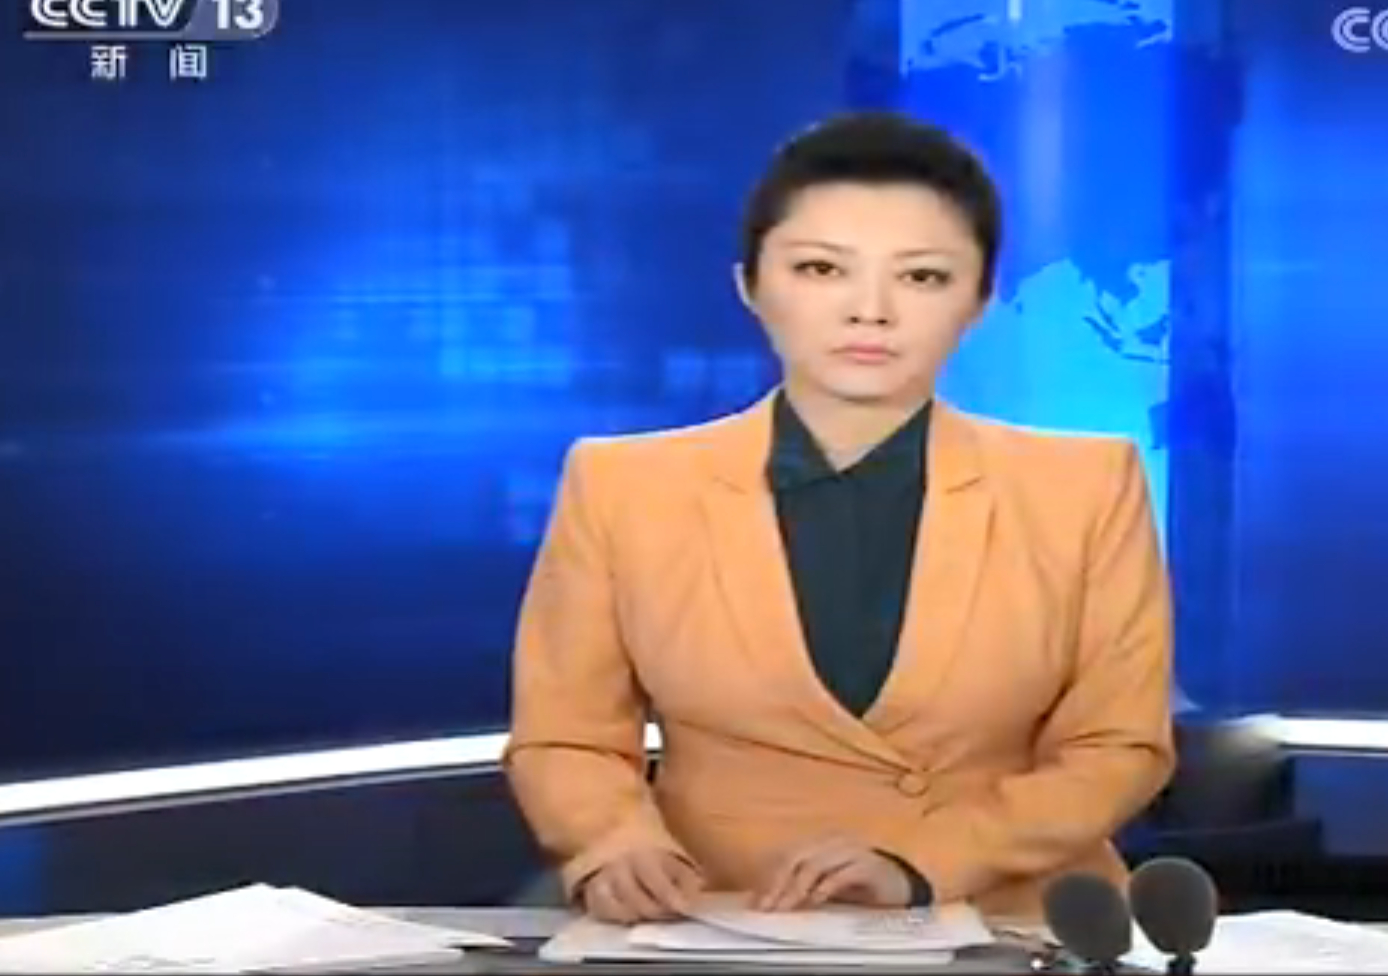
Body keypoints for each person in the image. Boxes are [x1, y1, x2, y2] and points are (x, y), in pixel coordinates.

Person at [503, 111, 1177, 924]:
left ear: (980, 300)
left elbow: (1116, 747)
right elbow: (567, 737)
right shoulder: (622, 486)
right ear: (751, 285)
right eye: (821, 269)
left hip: (1006, 918)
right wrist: (615, 842)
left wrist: (923, 863)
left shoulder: (1085, 486)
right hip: (722, 919)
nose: (870, 311)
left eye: (922, 277)